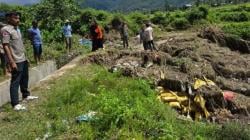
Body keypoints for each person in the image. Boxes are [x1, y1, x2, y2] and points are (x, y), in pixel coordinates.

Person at [1, 12, 38, 111]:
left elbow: (19, 44)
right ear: (8, 19)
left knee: (25, 78)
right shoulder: (5, 30)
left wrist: (26, 57)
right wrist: (11, 61)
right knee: (15, 81)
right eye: (15, 18)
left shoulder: (17, 29)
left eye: (18, 18)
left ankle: (26, 95)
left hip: (23, 58)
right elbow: (5, 46)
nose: (18, 20)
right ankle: (15, 104)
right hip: (16, 60)